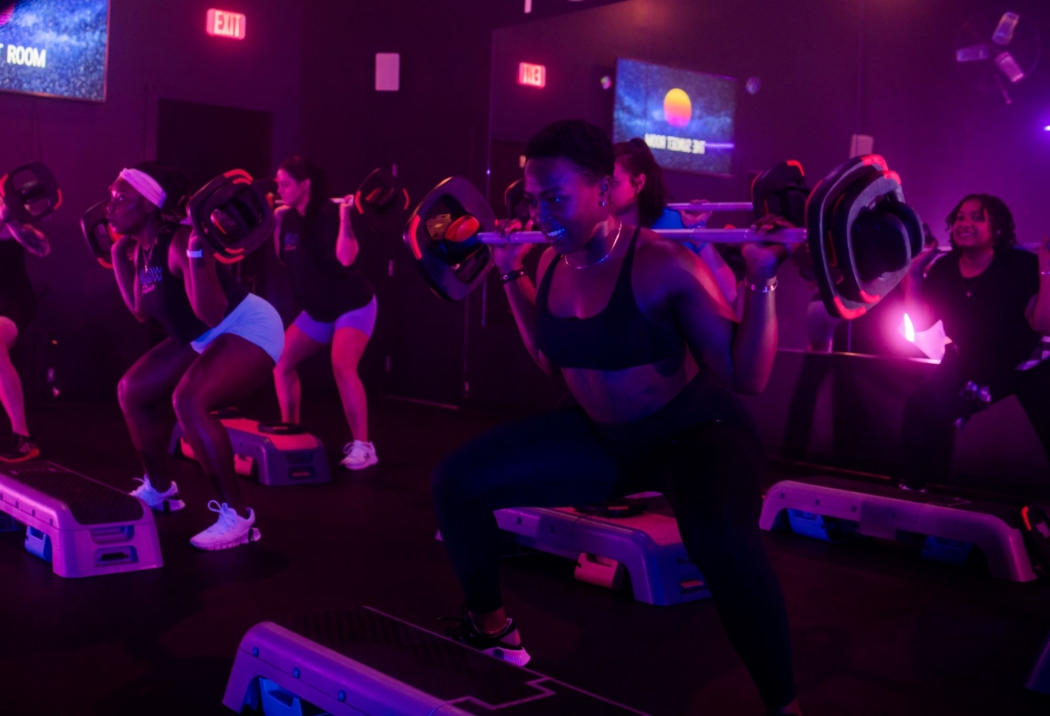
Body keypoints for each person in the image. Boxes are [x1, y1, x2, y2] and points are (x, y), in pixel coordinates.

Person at [431, 121, 800, 715]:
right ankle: (492, 631)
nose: (539, 212)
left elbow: (747, 375)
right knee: (456, 481)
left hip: (695, 435)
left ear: (603, 191)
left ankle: (785, 706)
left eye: (555, 198)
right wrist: (507, 268)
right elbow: (549, 359)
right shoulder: (551, 264)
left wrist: (762, 280)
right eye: (531, 198)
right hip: (605, 440)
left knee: (724, 546)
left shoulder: (665, 264)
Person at [109, 162, 285, 550]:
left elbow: (211, 313)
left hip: (246, 325)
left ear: (150, 205)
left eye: (122, 197)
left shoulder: (176, 242)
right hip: (204, 335)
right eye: (112, 196)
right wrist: (119, 256)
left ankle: (238, 519)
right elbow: (141, 310)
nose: (111, 205)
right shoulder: (143, 249)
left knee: (189, 401)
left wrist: (194, 252)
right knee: (132, 389)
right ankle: (159, 490)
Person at [900, 194, 1050, 491]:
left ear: (997, 229)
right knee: (919, 409)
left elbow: (1043, 325)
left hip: (1026, 362)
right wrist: (914, 275)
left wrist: (1046, 268)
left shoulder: (1020, 264)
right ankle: (913, 492)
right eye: (960, 218)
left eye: (977, 217)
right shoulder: (944, 269)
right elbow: (920, 323)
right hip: (969, 362)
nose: (965, 224)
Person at [271, 157, 378, 470]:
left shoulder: (330, 213)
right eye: (278, 184)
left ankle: (364, 447)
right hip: (318, 310)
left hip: (351, 305)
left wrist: (346, 216)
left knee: (342, 366)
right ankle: (290, 431)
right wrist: (277, 222)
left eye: (285, 183)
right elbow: (283, 258)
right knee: (281, 363)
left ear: (305, 185)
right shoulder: (288, 218)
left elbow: (346, 259)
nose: (280, 189)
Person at [609, 137, 739, 304]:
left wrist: (697, 231)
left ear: (639, 183)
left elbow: (728, 292)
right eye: (603, 183)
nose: (605, 191)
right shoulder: (600, 226)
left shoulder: (670, 223)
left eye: (614, 183)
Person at [0, 203, 49, 462]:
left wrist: (11, 220)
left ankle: (23, 438)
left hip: (13, 303)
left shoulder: (8, 223)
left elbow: (43, 247)